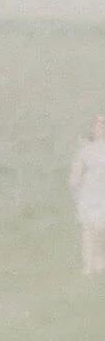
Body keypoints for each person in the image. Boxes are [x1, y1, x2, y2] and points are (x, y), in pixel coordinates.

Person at [73, 116, 105, 276]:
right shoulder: (86, 149)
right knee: (87, 228)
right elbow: (76, 173)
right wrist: (75, 184)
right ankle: (88, 264)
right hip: (89, 192)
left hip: (103, 192)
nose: (100, 128)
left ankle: (100, 259)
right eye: (98, 125)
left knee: (101, 227)